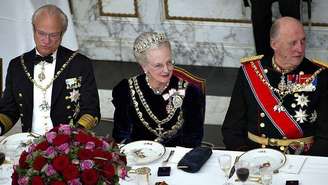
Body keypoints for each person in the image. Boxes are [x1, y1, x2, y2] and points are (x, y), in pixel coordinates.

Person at [222, 17, 328, 156]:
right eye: (293, 43)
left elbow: (325, 135)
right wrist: (246, 158)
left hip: (302, 158)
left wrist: (307, 165)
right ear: (274, 44)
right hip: (256, 155)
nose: (300, 49)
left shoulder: (320, 74)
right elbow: (232, 128)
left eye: (303, 41)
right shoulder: (250, 71)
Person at [0, 4, 100, 135]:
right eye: (41, 33)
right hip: (28, 143)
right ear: (33, 30)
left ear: (62, 34)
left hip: (66, 143)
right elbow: (9, 110)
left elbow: (91, 110)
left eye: (53, 35)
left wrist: (76, 135)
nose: (46, 41)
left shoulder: (79, 64)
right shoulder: (17, 65)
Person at [112, 32, 204, 147]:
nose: (166, 70)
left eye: (169, 62)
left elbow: (193, 139)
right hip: (138, 156)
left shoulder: (189, 92)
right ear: (144, 67)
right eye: (158, 65)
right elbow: (121, 136)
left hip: (176, 159)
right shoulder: (125, 90)